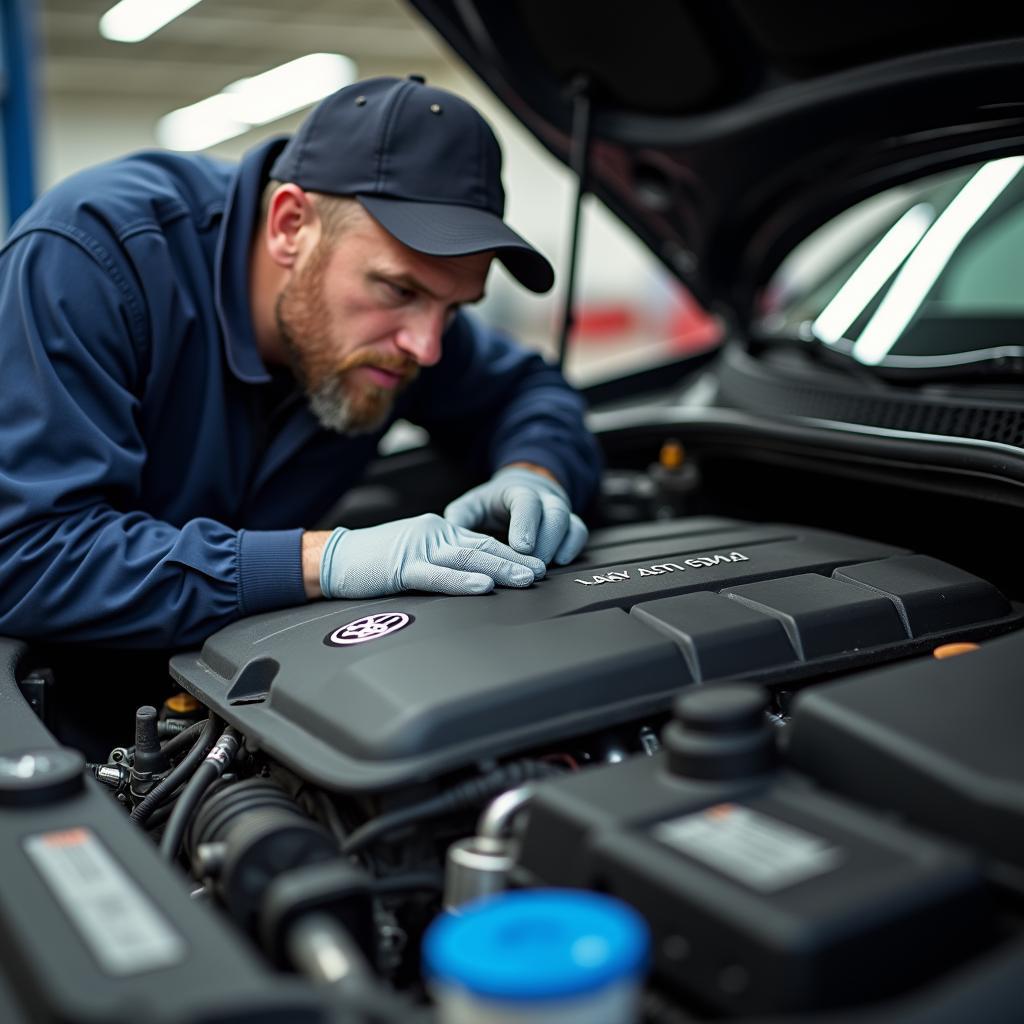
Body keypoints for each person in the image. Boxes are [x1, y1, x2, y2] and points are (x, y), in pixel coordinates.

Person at [0, 75, 601, 650]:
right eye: (399, 291)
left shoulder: (402, 325)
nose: (428, 348)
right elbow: (26, 551)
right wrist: (325, 561)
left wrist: (533, 474)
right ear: (291, 227)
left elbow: (528, 391)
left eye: (454, 308)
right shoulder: (93, 259)